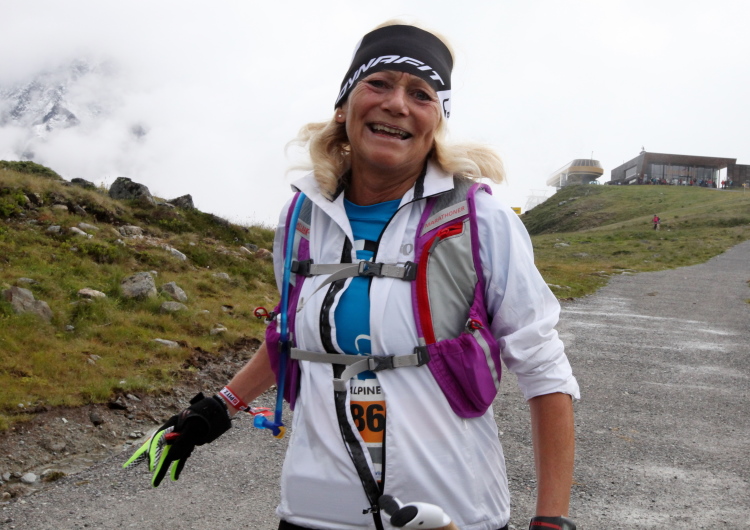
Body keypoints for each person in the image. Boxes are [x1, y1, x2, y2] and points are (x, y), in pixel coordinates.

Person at [126, 20, 579, 530]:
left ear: (436, 121)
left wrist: (551, 520)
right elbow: (290, 335)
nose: (397, 104)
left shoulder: (479, 219)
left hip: (453, 510)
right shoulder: (302, 217)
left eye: (421, 94)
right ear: (344, 107)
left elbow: (544, 368)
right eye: (378, 83)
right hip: (313, 510)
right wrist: (217, 408)